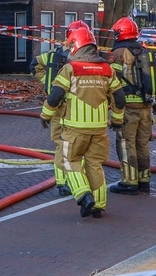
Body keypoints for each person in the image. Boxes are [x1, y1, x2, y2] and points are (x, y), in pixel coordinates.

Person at [40, 23, 125, 218]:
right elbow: (119, 98)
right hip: (99, 129)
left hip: (74, 129)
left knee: (71, 161)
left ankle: (83, 195)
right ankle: (99, 205)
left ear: (74, 46)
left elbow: (55, 96)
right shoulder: (107, 69)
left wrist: (45, 115)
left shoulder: (70, 69)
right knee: (95, 164)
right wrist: (118, 120)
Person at [108, 16, 156, 195]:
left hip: (127, 107)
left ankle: (129, 181)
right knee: (142, 143)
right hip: (146, 106)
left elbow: (112, 81)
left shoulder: (118, 53)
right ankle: (144, 179)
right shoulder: (145, 51)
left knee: (125, 143)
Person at [33, 36, 71, 195]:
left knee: (59, 143)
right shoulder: (80, 57)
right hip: (72, 106)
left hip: (55, 105)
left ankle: (62, 183)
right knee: (73, 144)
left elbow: (34, 64)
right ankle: (72, 180)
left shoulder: (53, 53)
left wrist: (49, 83)